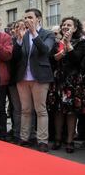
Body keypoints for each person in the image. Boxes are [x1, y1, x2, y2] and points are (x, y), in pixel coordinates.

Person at [13, 9, 55, 152]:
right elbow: (15, 57)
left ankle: (42, 141)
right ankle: (24, 138)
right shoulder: (23, 36)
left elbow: (45, 50)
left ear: (38, 19)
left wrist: (33, 33)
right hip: (23, 77)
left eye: (30, 17)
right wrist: (18, 40)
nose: (27, 20)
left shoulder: (47, 34)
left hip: (40, 78)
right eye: (25, 17)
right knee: (25, 110)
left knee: (40, 110)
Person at [47, 17, 85, 153]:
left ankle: (70, 141)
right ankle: (58, 139)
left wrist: (68, 45)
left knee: (71, 112)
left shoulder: (81, 43)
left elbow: (77, 60)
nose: (65, 27)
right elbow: (50, 60)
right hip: (57, 81)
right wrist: (55, 57)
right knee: (57, 111)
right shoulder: (56, 43)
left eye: (69, 25)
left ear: (75, 28)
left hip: (73, 82)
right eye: (64, 25)